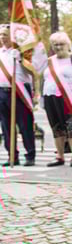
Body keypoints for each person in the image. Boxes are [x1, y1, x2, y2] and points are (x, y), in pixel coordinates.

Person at [37, 32, 72, 167]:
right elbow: (43, 79)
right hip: (50, 97)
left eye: (61, 44)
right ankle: (60, 156)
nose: (58, 47)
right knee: (56, 126)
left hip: (68, 98)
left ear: (68, 44)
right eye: (55, 44)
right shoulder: (49, 61)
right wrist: (41, 96)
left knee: (71, 126)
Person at [0, 26, 38, 166]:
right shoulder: (0, 52)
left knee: (24, 125)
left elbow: (33, 72)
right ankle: (12, 156)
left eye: (6, 35)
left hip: (19, 91)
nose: (3, 37)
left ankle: (30, 155)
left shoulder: (23, 53)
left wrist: (21, 60)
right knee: (6, 126)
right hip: (2, 92)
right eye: (1, 35)